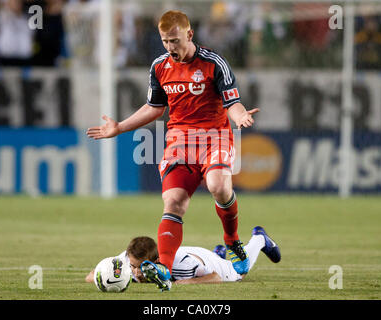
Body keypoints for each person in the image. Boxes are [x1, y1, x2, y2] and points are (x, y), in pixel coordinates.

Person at [86, 10, 274, 291]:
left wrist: (239, 117)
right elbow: (155, 108)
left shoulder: (214, 63)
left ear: (189, 34)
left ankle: (232, 241)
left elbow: (231, 101)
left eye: (174, 40)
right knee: (173, 201)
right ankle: (163, 267)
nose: (170, 47)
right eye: (165, 41)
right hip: (180, 141)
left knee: (218, 186)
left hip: (214, 136)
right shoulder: (159, 66)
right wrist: (120, 127)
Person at [85, 226, 280, 289]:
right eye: (133, 266)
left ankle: (259, 239)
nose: (136, 272)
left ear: (155, 262)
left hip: (203, 262)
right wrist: (104, 280)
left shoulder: (181, 266)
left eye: (139, 267)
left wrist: (188, 282)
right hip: (191, 254)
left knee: (240, 272)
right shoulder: (127, 260)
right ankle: (219, 252)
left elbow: (215, 277)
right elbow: (92, 274)